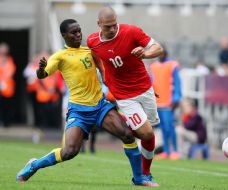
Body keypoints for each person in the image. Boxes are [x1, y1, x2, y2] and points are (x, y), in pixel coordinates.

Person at [16, 19, 158, 187]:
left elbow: (108, 74)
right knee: (69, 151)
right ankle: (34, 165)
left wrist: (140, 89)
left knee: (127, 135)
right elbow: (42, 75)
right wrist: (40, 70)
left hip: (100, 106)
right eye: (73, 32)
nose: (78, 35)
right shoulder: (60, 56)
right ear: (64, 35)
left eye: (79, 31)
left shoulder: (90, 51)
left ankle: (139, 178)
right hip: (78, 111)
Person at [87, 6, 163, 184]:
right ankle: (142, 174)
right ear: (99, 24)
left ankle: (146, 172)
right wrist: (104, 75)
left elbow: (157, 48)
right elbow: (96, 57)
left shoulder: (131, 31)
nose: (112, 29)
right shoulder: (92, 41)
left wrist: (145, 53)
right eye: (107, 27)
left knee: (149, 135)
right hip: (124, 96)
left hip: (145, 89)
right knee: (146, 133)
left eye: (114, 24)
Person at [150, 48, 182, 160]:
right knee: (163, 128)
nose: (160, 55)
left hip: (169, 102)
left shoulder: (172, 65)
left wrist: (176, 98)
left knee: (170, 127)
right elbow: (152, 83)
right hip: (158, 102)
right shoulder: (154, 66)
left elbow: (177, 83)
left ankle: (175, 151)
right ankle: (166, 151)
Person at [0, 42, 16, 127]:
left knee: (7, 106)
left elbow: (11, 71)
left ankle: (6, 122)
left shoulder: (9, 59)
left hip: (8, 88)